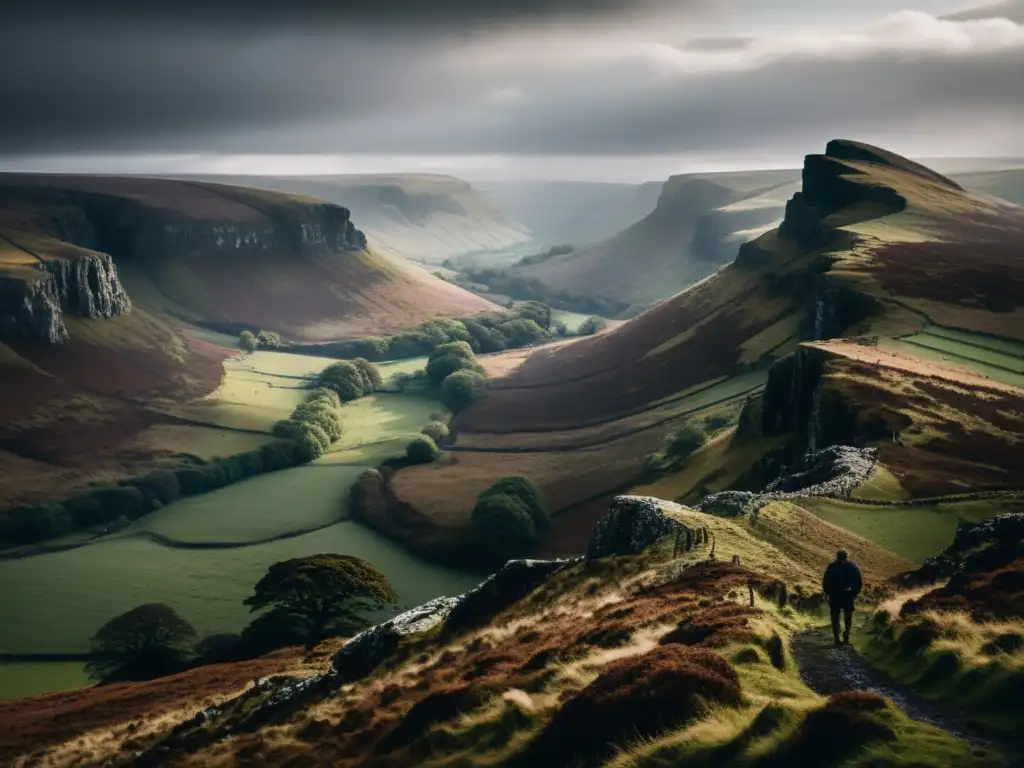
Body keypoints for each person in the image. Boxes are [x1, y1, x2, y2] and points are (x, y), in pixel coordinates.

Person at [822, 549, 862, 646]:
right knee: (847, 616)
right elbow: (858, 581)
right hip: (847, 595)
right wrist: (854, 593)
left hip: (835, 595)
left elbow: (826, 581)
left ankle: (837, 638)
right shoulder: (853, 566)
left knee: (835, 617)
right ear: (847, 556)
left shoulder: (832, 566)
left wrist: (827, 592)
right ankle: (846, 636)